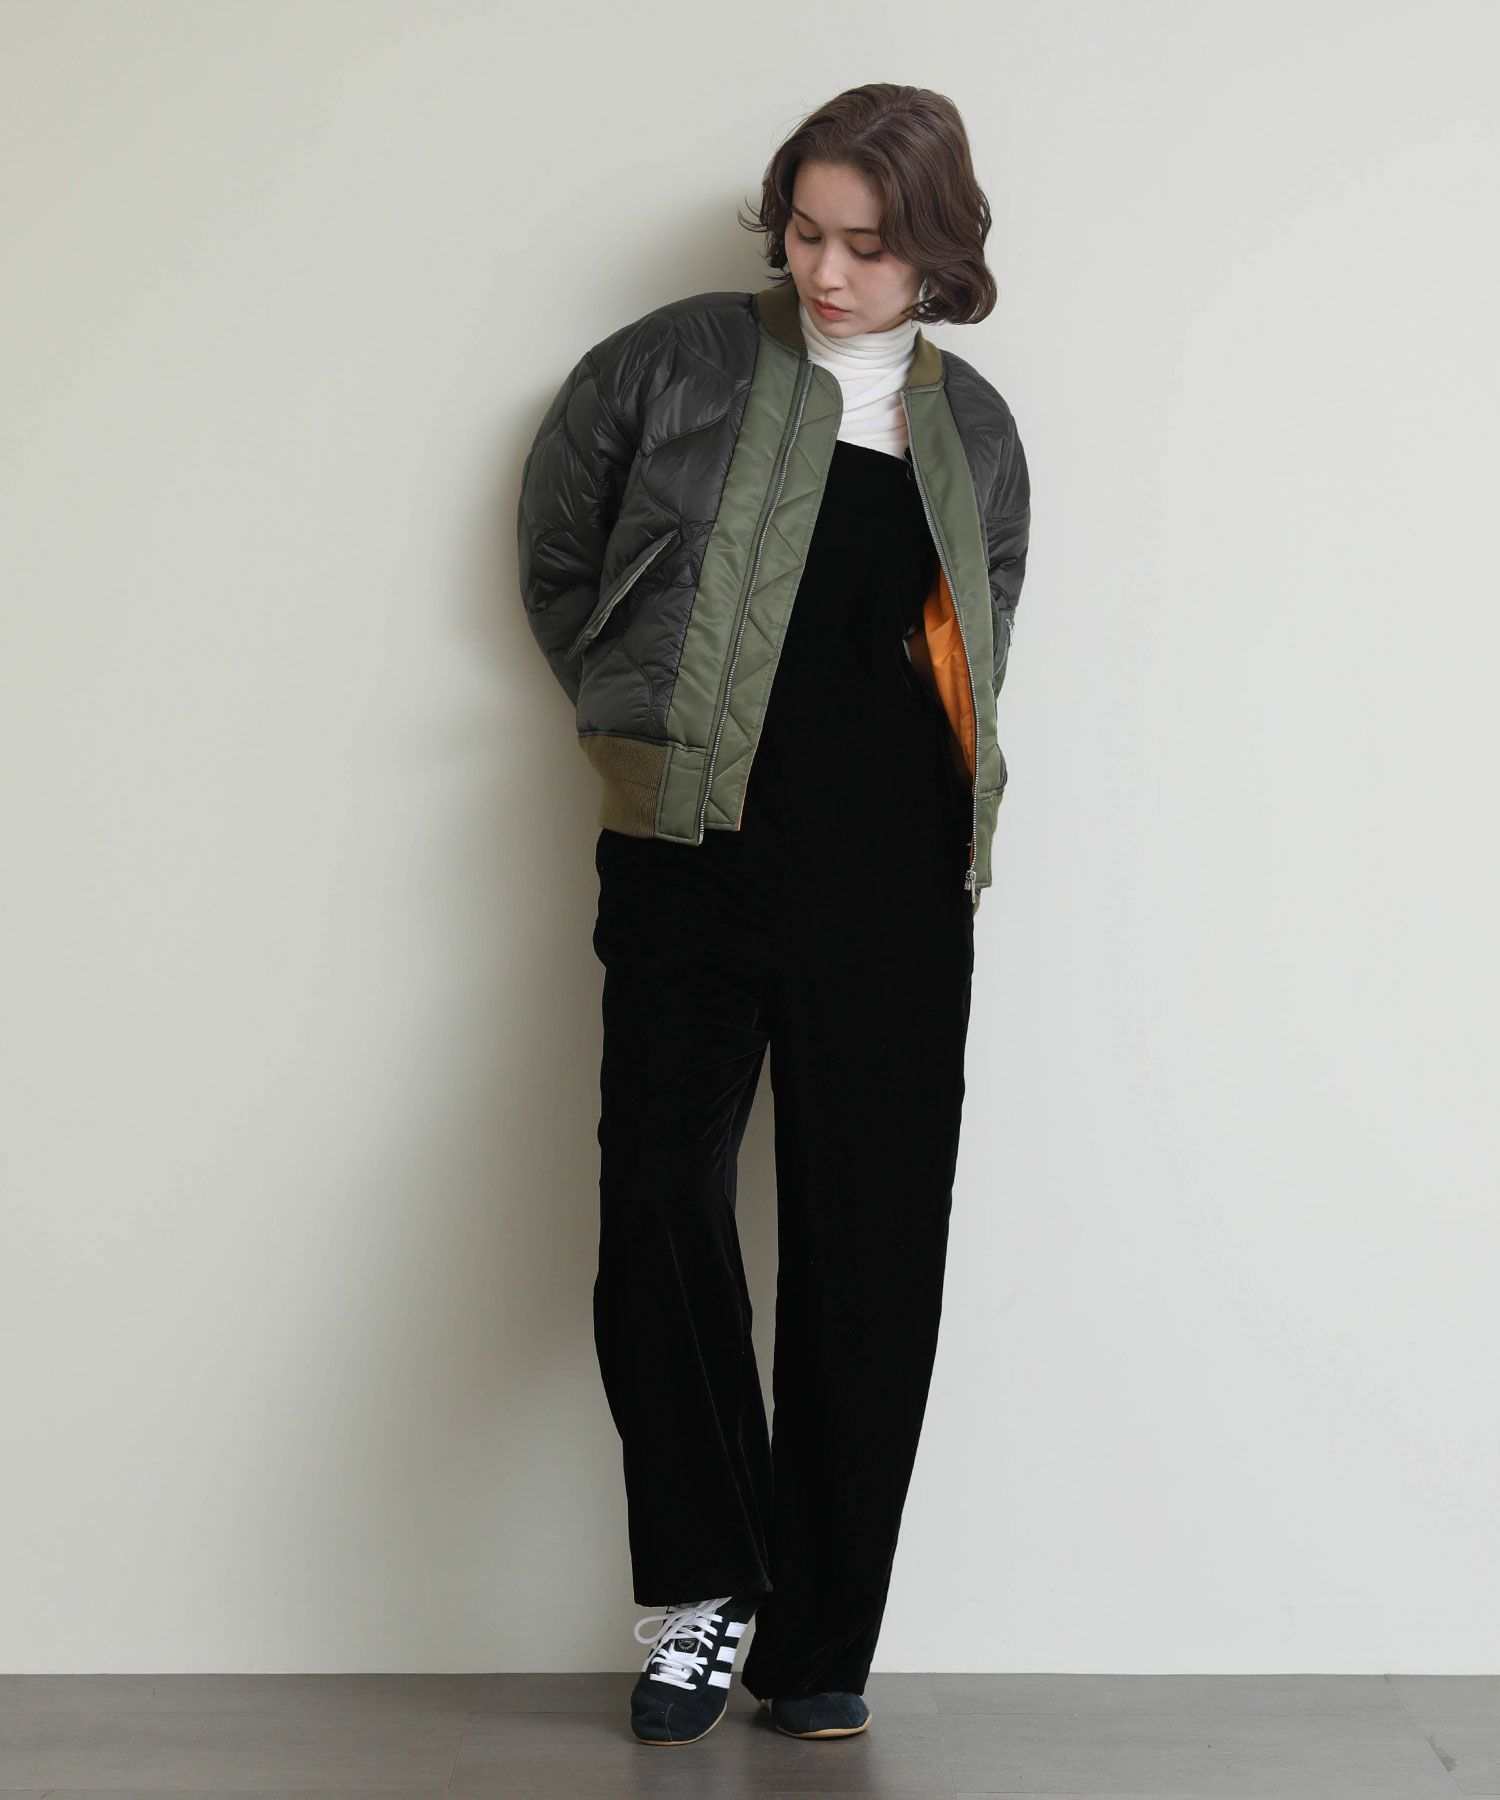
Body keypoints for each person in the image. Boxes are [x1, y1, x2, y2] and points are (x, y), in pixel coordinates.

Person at [516, 82, 1032, 1748]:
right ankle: (709, 1583)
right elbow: (560, 555)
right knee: (658, 1204)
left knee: (869, 1250)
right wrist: (638, 720)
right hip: (690, 851)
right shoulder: (670, 366)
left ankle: (818, 1645)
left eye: (866, 246)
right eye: (805, 233)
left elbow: (981, 631)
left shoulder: (977, 434)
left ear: (936, 252)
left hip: (896, 876)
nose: (824, 272)